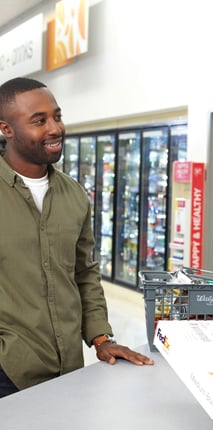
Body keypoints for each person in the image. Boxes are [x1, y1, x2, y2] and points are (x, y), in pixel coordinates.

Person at [0, 77, 153, 399]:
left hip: (67, 367)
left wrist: (101, 338)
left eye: (57, 116)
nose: (55, 128)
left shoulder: (74, 195)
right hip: (8, 369)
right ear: (6, 129)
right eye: (39, 121)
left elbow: (84, 272)